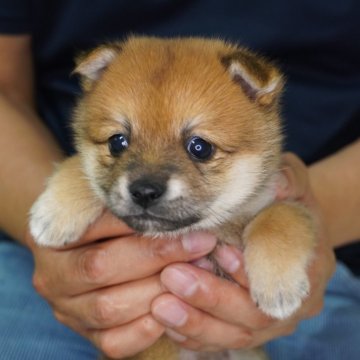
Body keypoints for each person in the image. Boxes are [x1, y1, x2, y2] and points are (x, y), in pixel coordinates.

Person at [0, 1, 359, 359]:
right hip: (36, 255)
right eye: (119, 142)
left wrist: (296, 226)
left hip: (331, 260)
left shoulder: (247, 93)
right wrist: (58, 228)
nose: (146, 183)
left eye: (199, 148)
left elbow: (286, 221)